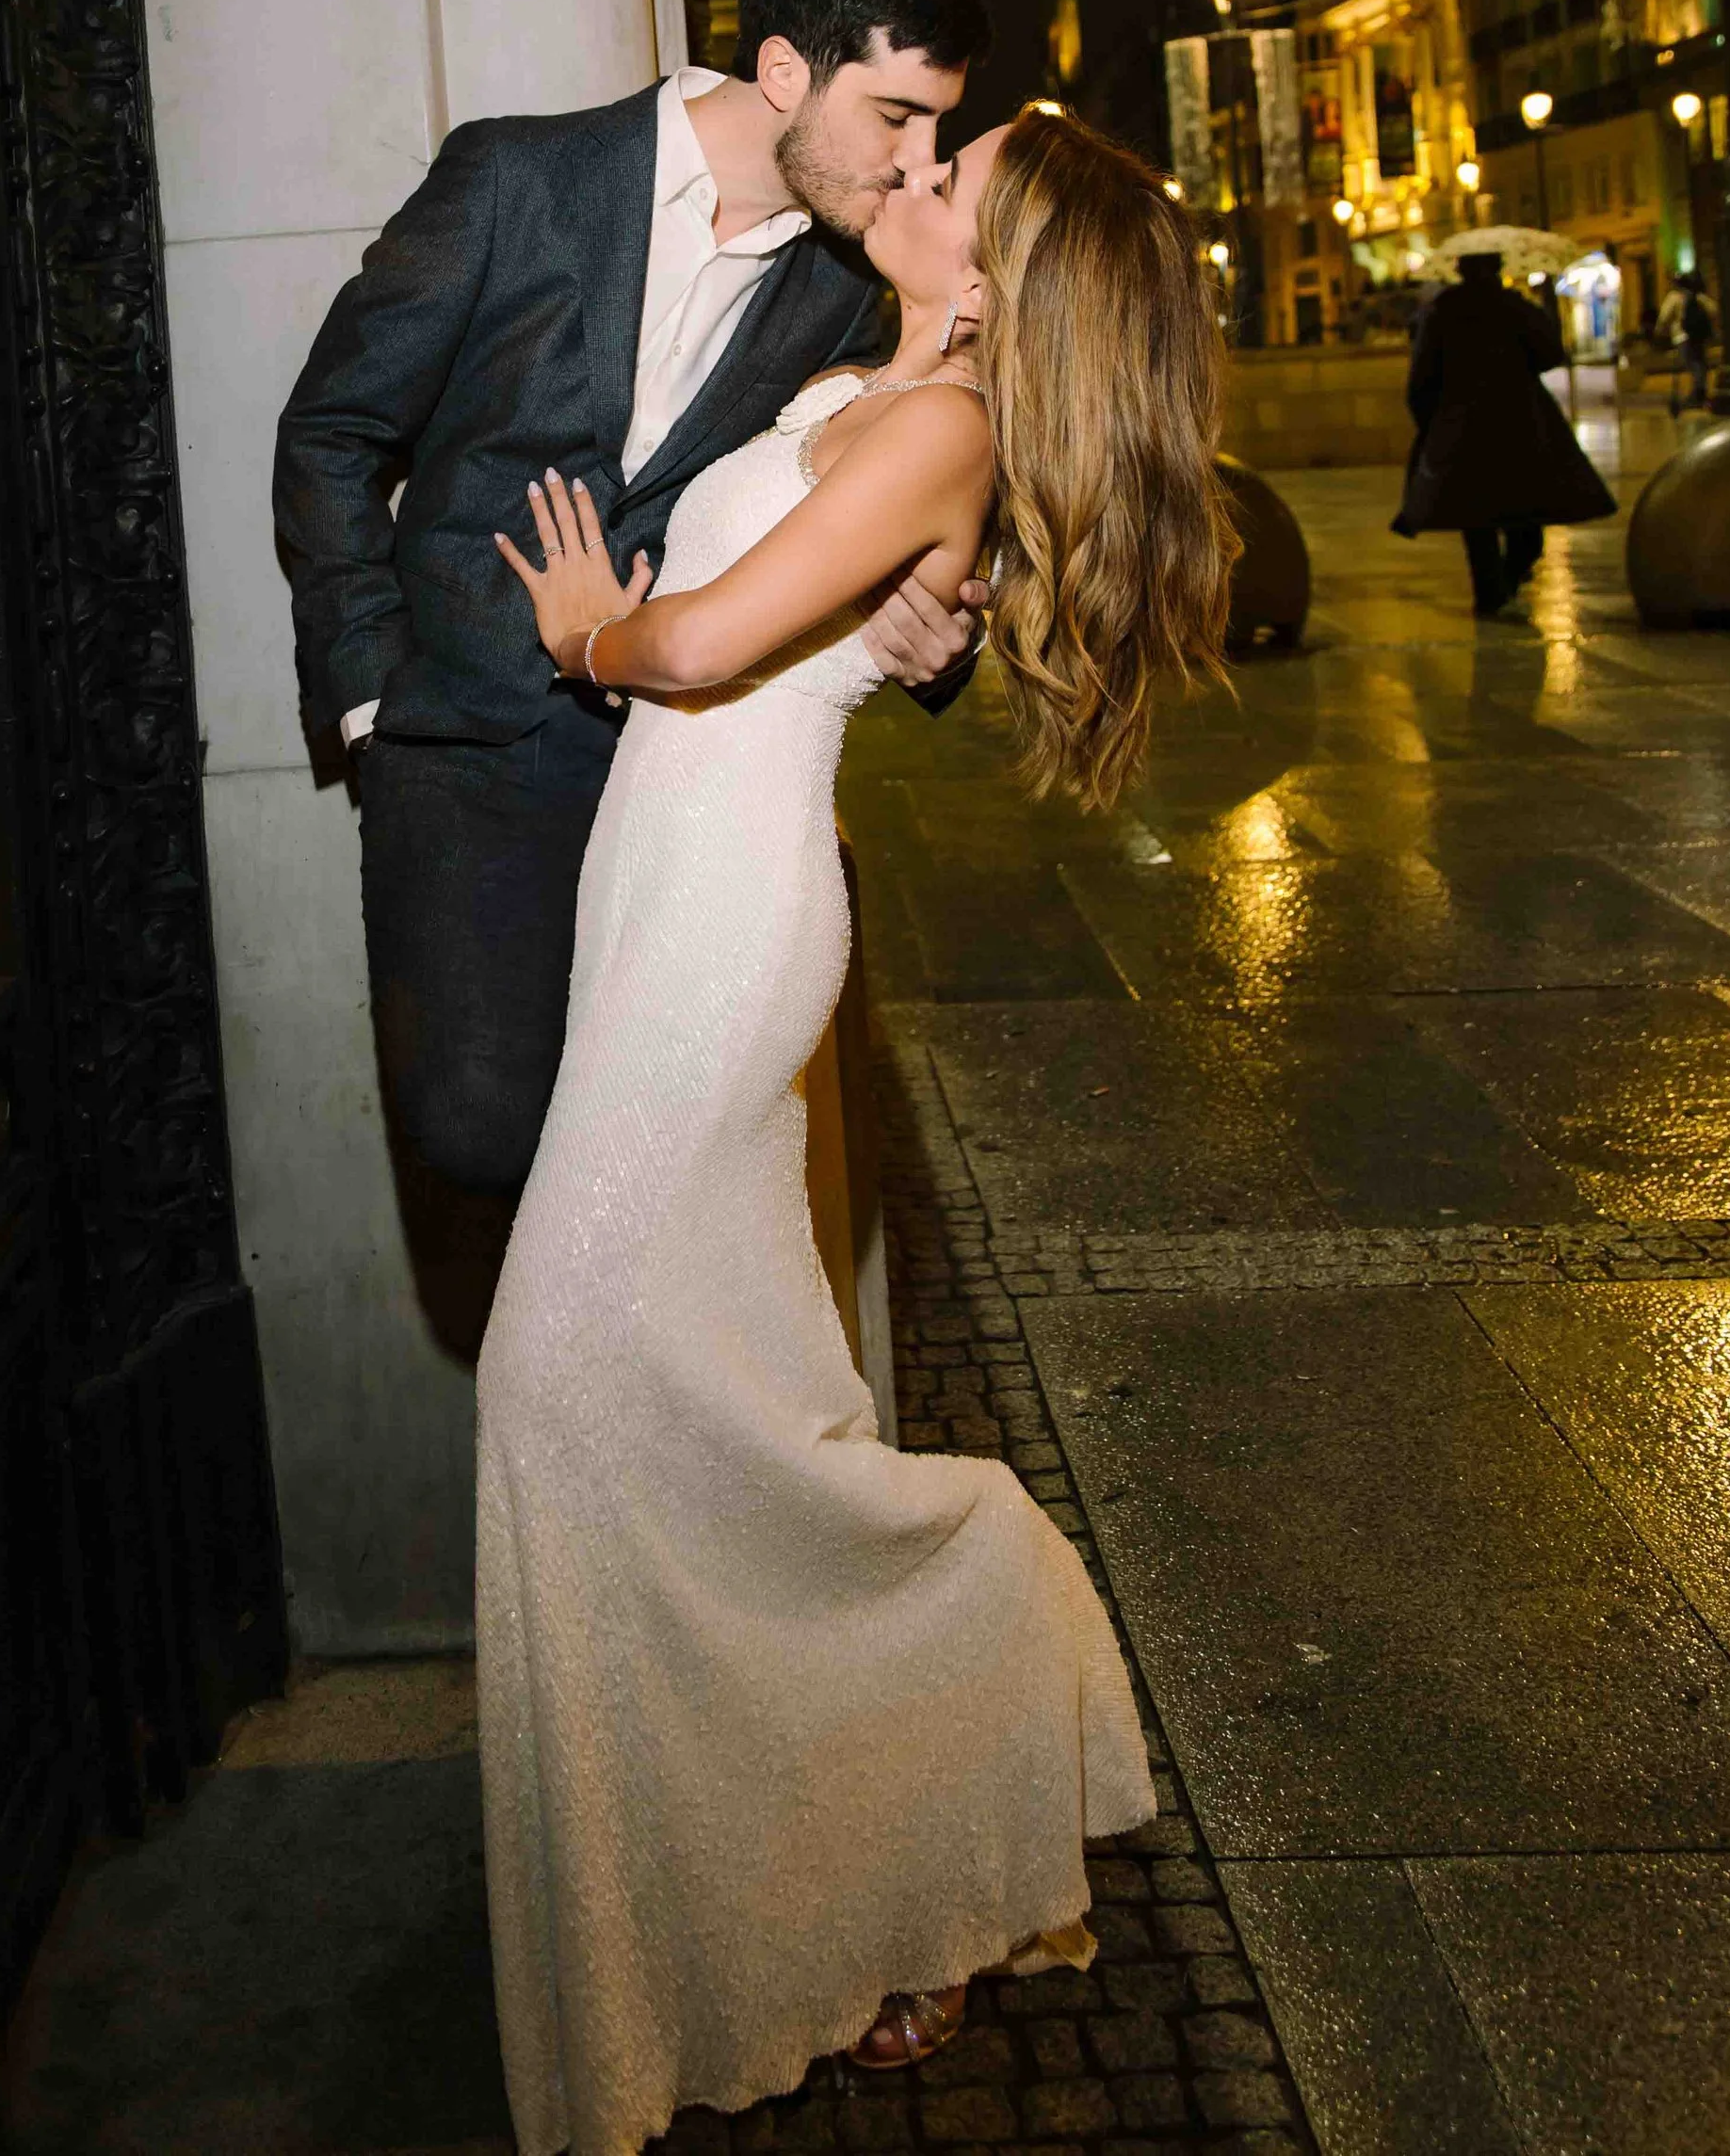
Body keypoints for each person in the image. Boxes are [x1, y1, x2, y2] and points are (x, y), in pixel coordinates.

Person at [479, 108, 1234, 2156]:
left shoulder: (947, 424)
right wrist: (884, 608)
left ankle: (983, 1617)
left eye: (945, 178)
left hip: (726, 919)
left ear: (995, 278)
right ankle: (817, 1876)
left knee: (554, 1376)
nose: (908, 178)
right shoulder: (868, 386)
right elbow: (813, 596)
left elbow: (708, 644)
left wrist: (589, 633)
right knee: (704, 1387)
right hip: (662, 891)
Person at [273, 0, 994, 1197]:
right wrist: (375, 703)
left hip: (680, 765)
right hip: (466, 754)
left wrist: (938, 624)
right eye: (895, 116)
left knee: (668, 1167)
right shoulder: (517, 179)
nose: (916, 161)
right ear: (785, 71)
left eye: (936, 127)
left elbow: (899, 490)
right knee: (479, 1132)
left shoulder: (851, 286)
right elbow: (332, 431)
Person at [1391, 249, 1615, 612]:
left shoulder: (1442, 312)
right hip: (1520, 421)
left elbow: (1421, 378)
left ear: (1460, 270)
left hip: (1462, 426)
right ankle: (1507, 579)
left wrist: (1432, 423)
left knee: (1475, 518)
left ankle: (1489, 593)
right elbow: (1550, 354)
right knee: (1525, 516)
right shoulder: (1514, 307)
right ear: (1497, 268)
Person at [1657, 265, 1715, 419]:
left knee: (1691, 363)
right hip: (1698, 336)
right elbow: (1713, 309)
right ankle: (1700, 391)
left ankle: (1697, 393)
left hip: (1681, 336)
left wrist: (1660, 331)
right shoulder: (1697, 296)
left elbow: (1664, 317)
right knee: (1700, 363)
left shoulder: (1674, 297)